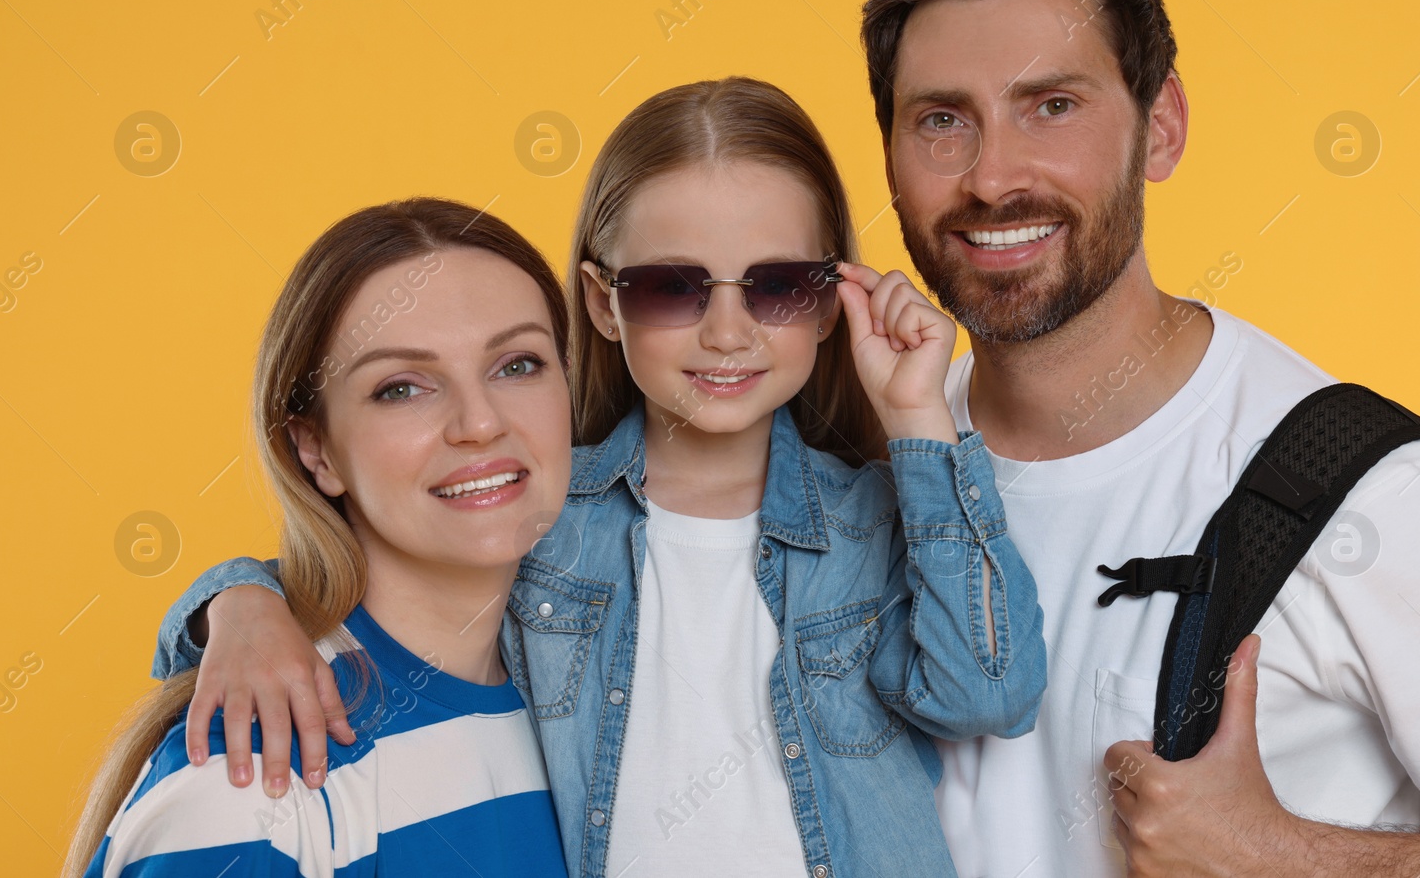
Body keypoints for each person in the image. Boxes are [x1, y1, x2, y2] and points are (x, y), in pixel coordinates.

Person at [146, 78, 1048, 876]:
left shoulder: (874, 522)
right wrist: (240, 604)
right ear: (601, 303)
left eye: (776, 286)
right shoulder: (541, 510)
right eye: (673, 288)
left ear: (827, 303)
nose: (728, 334)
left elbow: (990, 692)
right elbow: (379, 579)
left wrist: (921, 424)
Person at [861, 0, 1420, 875]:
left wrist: (1287, 853)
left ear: (1163, 124)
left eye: (1051, 104)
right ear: (888, 155)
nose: (991, 174)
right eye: (939, 119)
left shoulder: (1365, 492)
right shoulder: (868, 467)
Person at [65, 198, 573, 877]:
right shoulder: (253, 778)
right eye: (401, 387)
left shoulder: (591, 699)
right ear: (316, 450)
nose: (479, 423)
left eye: (518, 364)